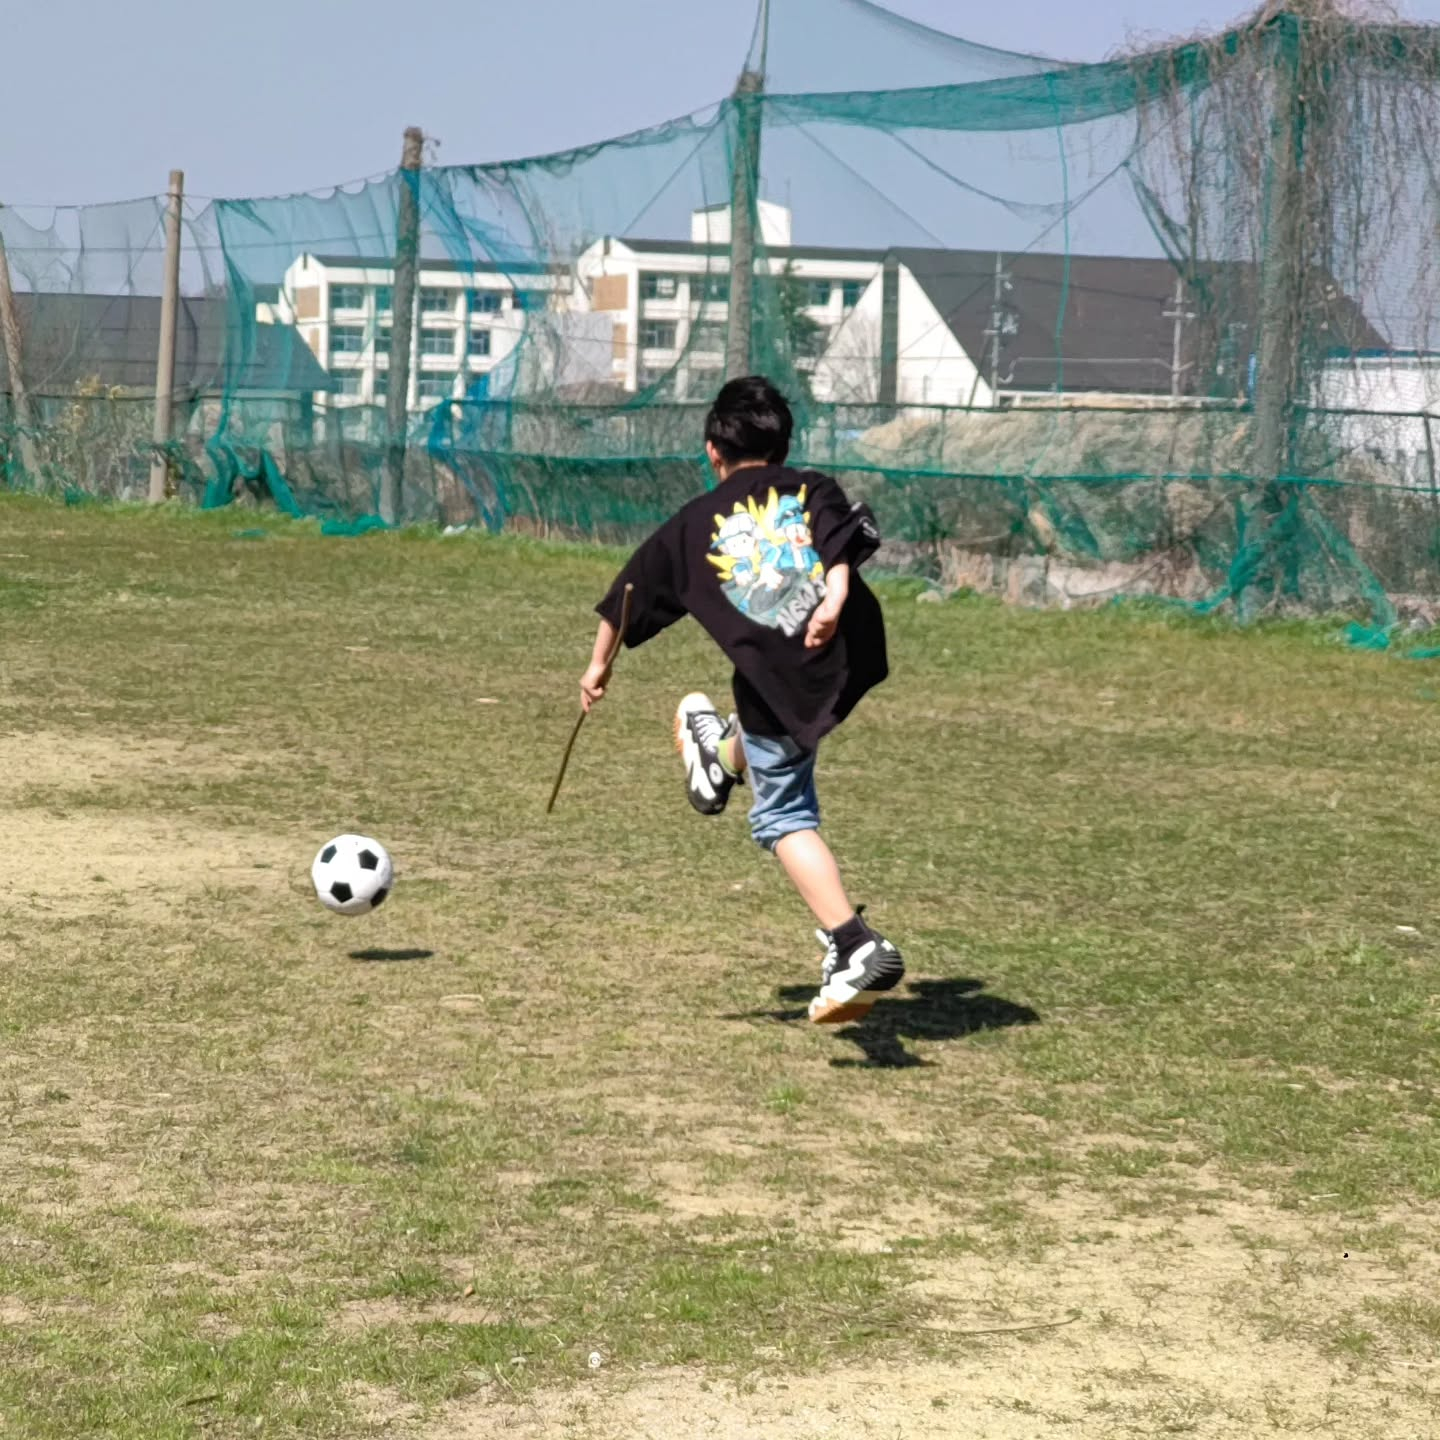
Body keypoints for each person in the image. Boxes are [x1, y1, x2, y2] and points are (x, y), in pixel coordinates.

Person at [580, 376, 902, 1024]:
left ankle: (855, 944)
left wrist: (596, 669)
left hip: (781, 679)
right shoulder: (811, 486)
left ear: (711, 452)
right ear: (782, 447)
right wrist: (836, 599)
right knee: (766, 743)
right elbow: (839, 542)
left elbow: (627, 597)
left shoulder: (691, 525)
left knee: (782, 816)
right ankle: (719, 754)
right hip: (844, 658)